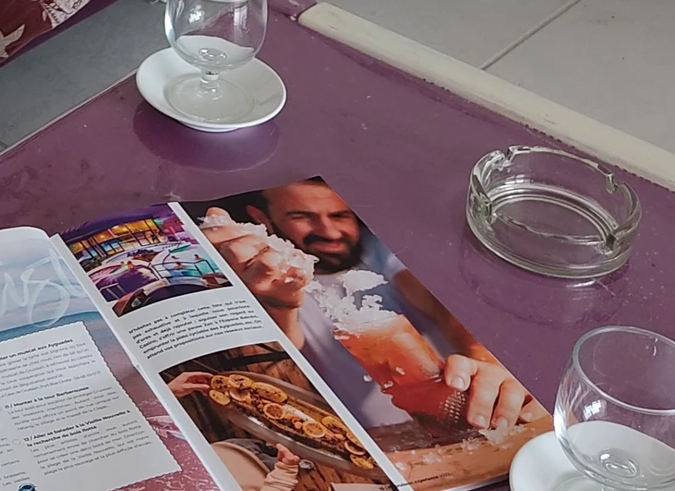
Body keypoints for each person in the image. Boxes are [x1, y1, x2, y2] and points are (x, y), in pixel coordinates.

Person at [196, 180, 540, 433]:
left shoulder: (379, 249)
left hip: (475, 414)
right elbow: (284, 341)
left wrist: (485, 360)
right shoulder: (268, 278)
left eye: (339, 215)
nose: (329, 231)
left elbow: (442, 304)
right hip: (378, 442)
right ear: (261, 218)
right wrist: (277, 304)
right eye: (303, 216)